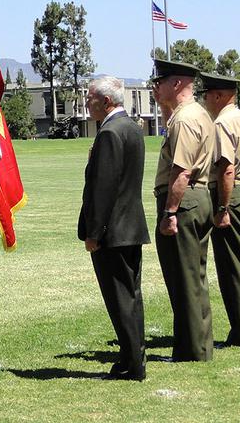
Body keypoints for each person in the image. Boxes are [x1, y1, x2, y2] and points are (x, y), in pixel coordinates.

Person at [78, 77, 149, 380]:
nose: (86, 102)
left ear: (106, 101)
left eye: (90, 97)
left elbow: (103, 188)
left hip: (114, 231)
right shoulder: (132, 127)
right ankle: (130, 356)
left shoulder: (109, 132)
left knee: (120, 298)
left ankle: (133, 364)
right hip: (130, 226)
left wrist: (94, 233)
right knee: (130, 296)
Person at [151, 59, 215, 362]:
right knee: (192, 276)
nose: (155, 87)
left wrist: (170, 212)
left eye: (160, 81)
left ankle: (192, 350)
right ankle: (197, 345)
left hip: (184, 201)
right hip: (195, 199)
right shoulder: (193, 114)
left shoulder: (186, 119)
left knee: (184, 278)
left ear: (177, 84)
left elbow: (181, 171)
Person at [201, 72, 240, 347]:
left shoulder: (222, 123)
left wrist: (222, 207)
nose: (205, 100)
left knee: (234, 267)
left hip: (234, 194)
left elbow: (226, 169)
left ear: (218, 95)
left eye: (206, 94)